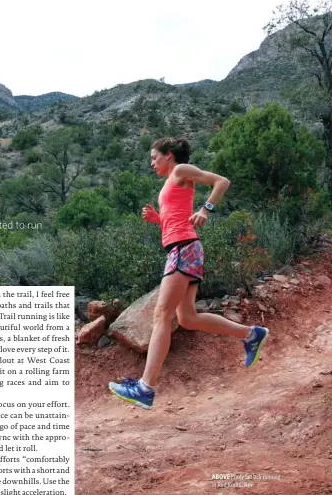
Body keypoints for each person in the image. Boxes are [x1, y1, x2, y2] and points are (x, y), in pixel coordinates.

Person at [108, 137, 269, 410]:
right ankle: (252, 335)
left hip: (184, 248)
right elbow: (176, 217)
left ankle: (146, 388)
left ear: (168, 155)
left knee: (162, 314)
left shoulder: (181, 171)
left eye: (154, 157)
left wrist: (206, 209)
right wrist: (158, 220)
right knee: (187, 317)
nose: (151, 162)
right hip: (182, 248)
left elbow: (222, 181)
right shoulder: (172, 180)